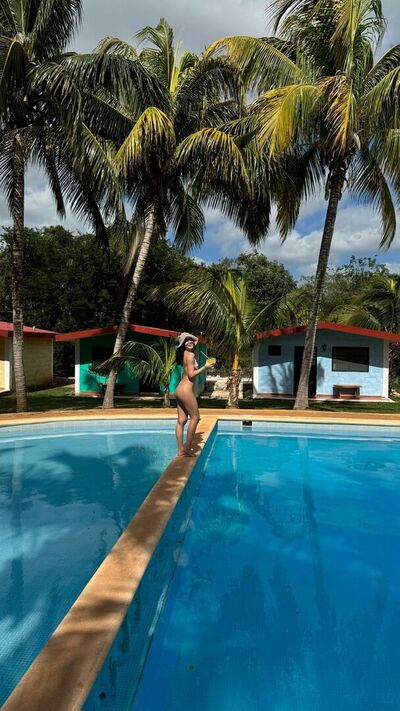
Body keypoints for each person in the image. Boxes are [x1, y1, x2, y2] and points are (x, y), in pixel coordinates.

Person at [174, 332, 214, 457]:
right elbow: (191, 375)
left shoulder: (185, 353)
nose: (190, 341)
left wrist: (187, 337)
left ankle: (180, 449)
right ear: (182, 344)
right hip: (186, 390)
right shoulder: (190, 355)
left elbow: (196, 340)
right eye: (186, 341)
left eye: (190, 340)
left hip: (179, 389)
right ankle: (187, 448)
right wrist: (205, 367)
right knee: (195, 417)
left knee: (181, 420)